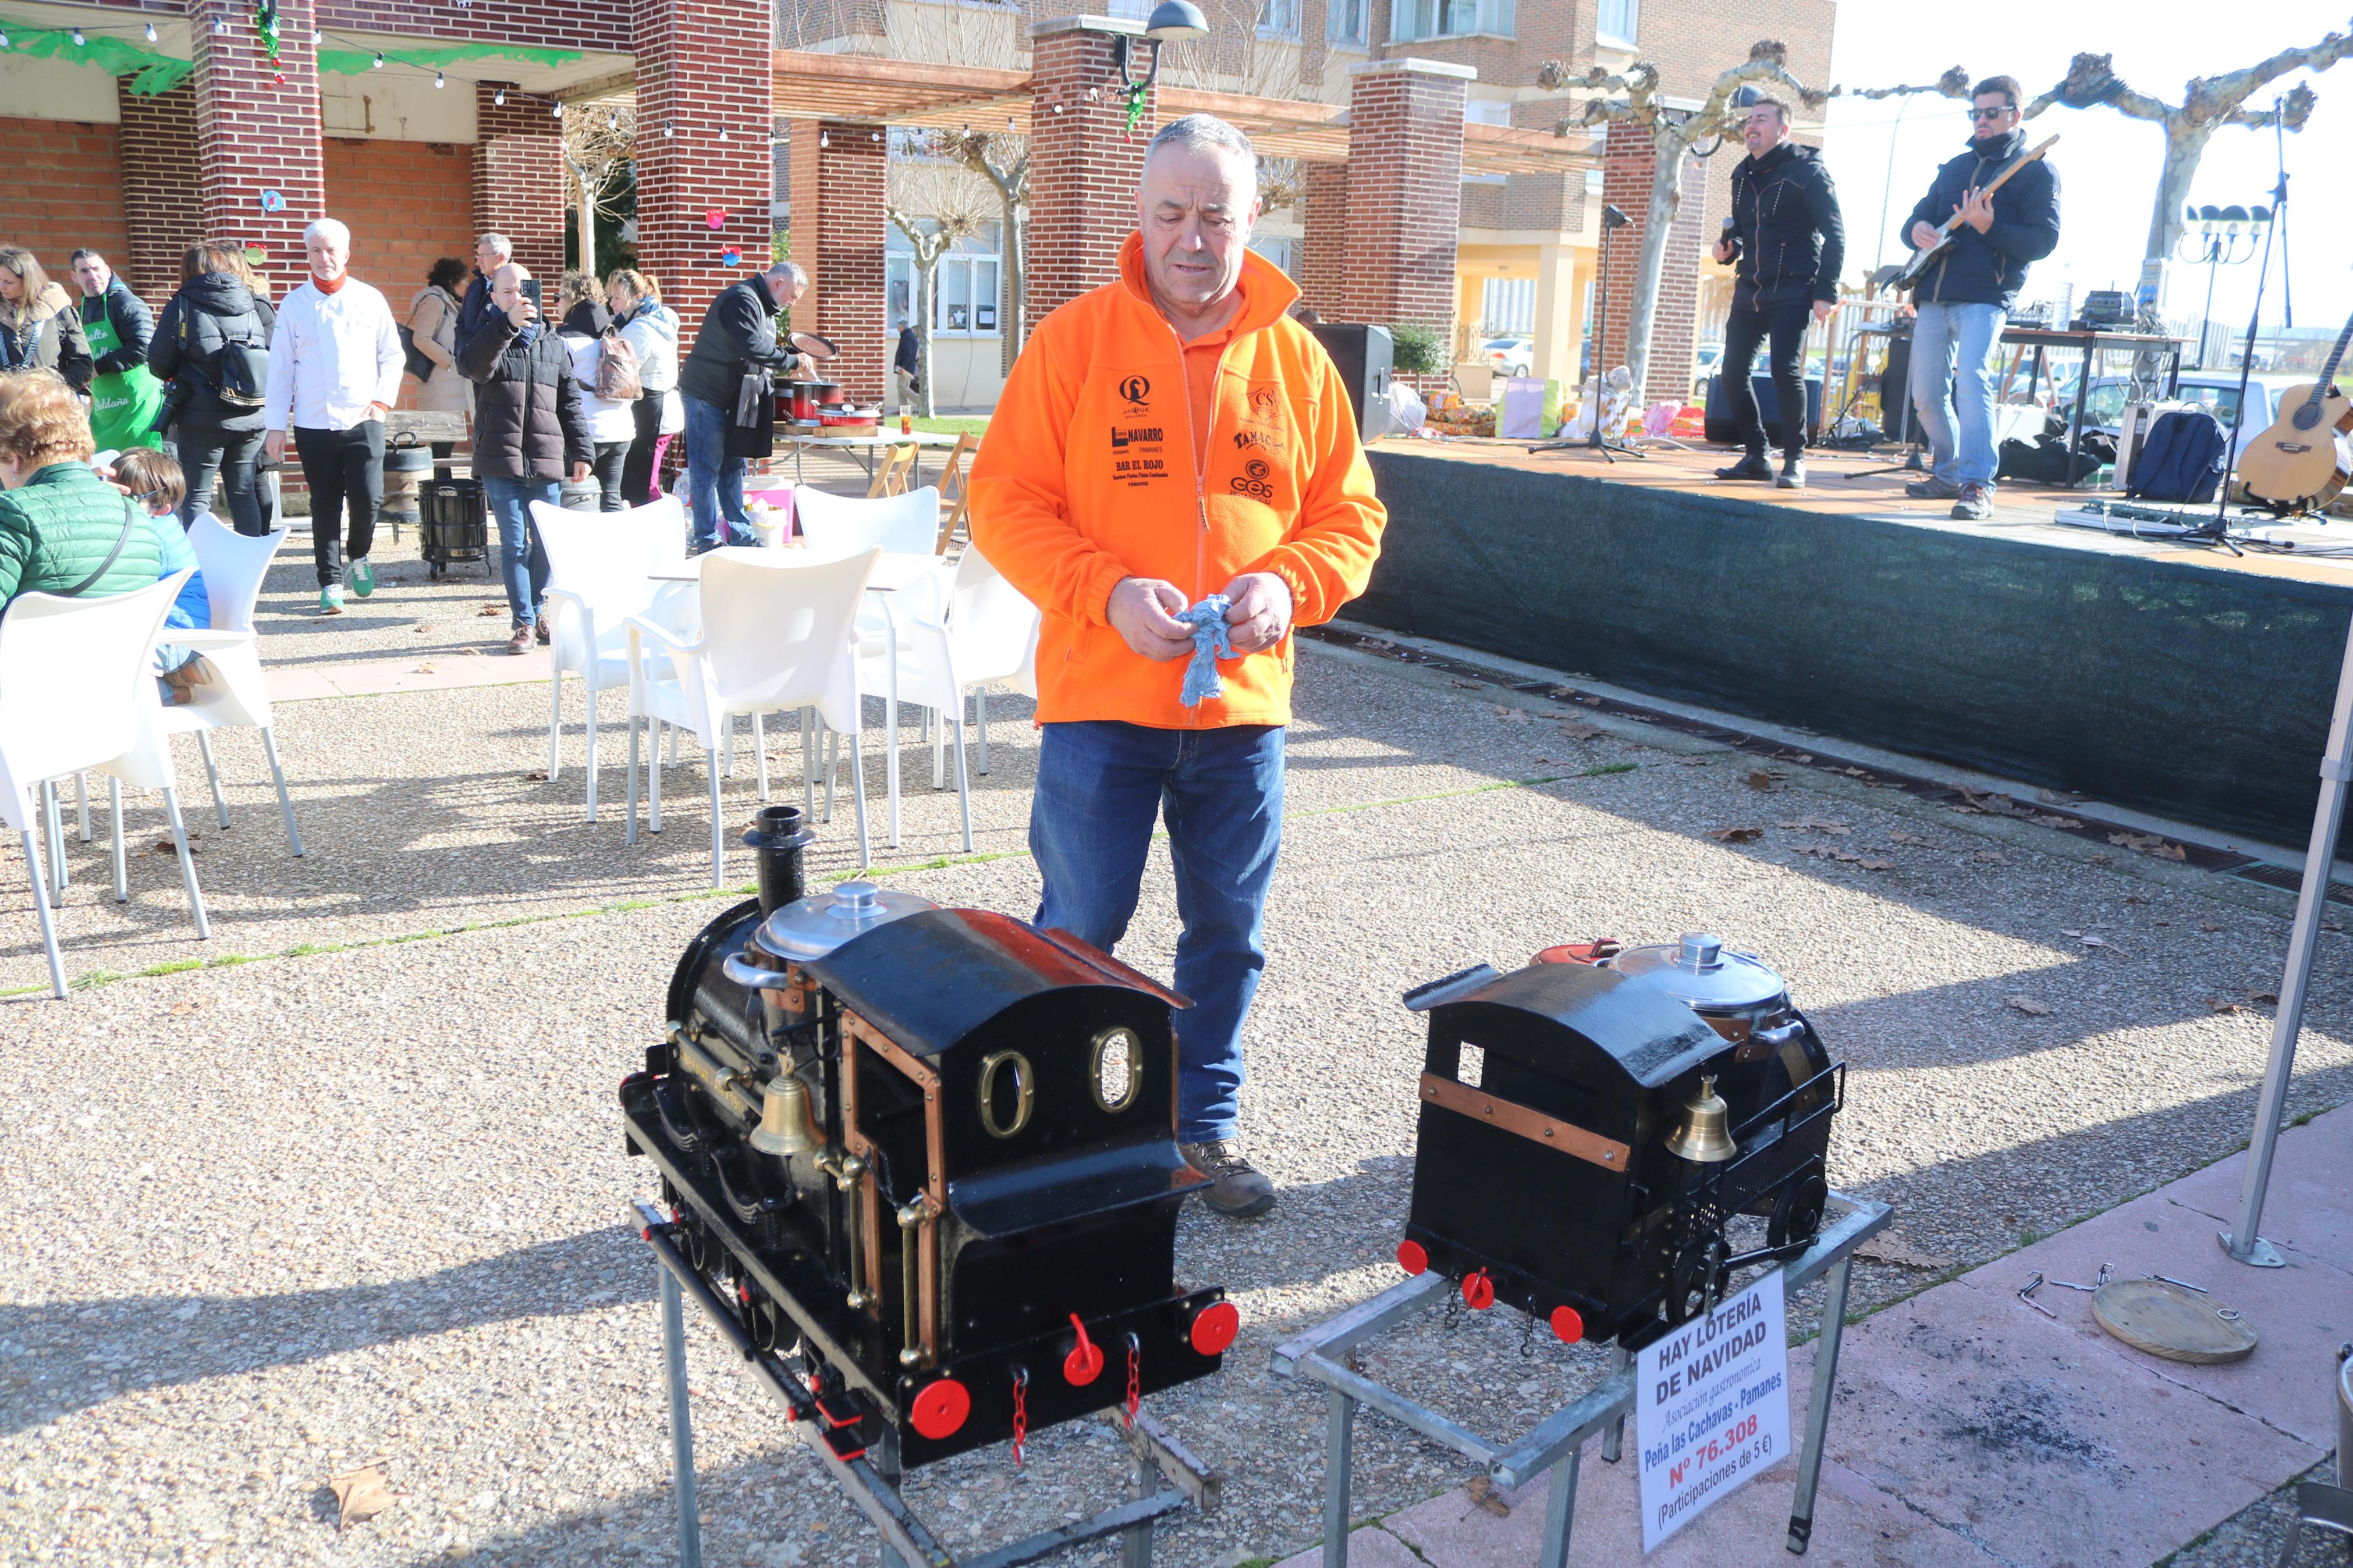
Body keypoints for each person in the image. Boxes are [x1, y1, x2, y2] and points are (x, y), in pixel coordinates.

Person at [968, 113, 1387, 1219]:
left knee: (1226, 938)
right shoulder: (1073, 342)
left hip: (1242, 714)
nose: (1191, 238)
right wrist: (1103, 590)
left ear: (1253, 219)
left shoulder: (1294, 359)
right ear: (1140, 218)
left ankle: (1199, 1131)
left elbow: (1349, 517)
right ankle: (1063, 1138)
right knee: (1079, 928)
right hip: (1102, 704)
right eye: (1170, 213)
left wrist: (1285, 588)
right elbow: (1003, 503)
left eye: (1215, 214)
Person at [1900, 74, 2061, 521]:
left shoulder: (2035, 170)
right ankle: (1948, 472)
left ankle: (1976, 484)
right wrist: (1914, 229)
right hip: (1933, 294)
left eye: (1991, 113)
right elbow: (1917, 217)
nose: (1982, 121)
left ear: (2015, 113)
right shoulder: (1954, 167)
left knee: (1971, 380)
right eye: (1976, 113)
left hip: (1986, 296)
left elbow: (2043, 242)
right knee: (1925, 395)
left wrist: (1991, 228)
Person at [265, 218, 402, 614]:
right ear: (307, 255)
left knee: (368, 498)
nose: (324, 258)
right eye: (315, 250)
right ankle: (330, 583)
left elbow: (393, 356)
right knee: (324, 503)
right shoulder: (293, 304)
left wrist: (380, 403)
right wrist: (276, 425)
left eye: (331, 250)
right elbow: (281, 369)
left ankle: (358, 554)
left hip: (363, 420)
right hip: (312, 422)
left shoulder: (369, 298)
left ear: (346, 253)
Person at [1708, 95, 1844, 490]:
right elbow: (1740, 229)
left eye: (1761, 120)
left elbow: (1835, 234)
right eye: (1749, 119)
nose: (1751, 125)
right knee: (1731, 373)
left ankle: (1795, 459)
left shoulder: (1809, 172)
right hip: (1750, 286)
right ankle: (1756, 455)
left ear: (1783, 130)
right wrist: (1726, 248)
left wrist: (1825, 292)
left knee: (1785, 371)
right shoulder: (1741, 173)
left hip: (1794, 287)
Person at [458, 262, 591, 655]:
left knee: (546, 543)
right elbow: (475, 369)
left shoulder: (553, 341)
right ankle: (523, 624)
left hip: (546, 455)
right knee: (514, 543)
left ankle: (535, 612)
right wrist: (506, 326)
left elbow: (569, 402)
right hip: (499, 455)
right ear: (494, 298)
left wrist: (582, 451)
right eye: (507, 291)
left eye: (524, 289)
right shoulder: (484, 333)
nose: (517, 297)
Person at [677, 261, 811, 552]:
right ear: (778, 284)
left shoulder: (763, 306)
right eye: (792, 296)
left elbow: (760, 349)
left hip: (732, 399)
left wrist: (790, 354)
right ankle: (707, 540)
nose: (791, 303)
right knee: (707, 471)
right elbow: (751, 346)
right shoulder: (743, 299)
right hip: (706, 395)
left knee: (732, 468)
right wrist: (792, 362)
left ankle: (740, 536)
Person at [0, 369, 164, 605]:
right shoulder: (136, 513)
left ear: (15, 461)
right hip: (125, 641)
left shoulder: (13, 513)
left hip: (37, 640)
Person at [149, 241, 278, 535]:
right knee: (243, 494)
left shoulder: (181, 304)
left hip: (202, 418)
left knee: (198, 496)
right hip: (252, 415)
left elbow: (159, 364)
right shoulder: (252, 302)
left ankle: (202, 570)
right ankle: (248, 565)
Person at [110, 447, 214, 704]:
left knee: (94, 672)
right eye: (109, 490)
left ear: (161, 509)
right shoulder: (150, 523)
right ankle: (178, 674)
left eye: (129, 497)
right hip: (166, 629)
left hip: (173, 636)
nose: (113, 501)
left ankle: (168, 691)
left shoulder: (147, 538)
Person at [70, 250, 165, 454]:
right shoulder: (80, 312)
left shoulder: (128, 304)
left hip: (138, 402)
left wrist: (97, 369)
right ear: (74, 277)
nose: (92, 276)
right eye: (84, 271)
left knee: (142, 466)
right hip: (104, 406)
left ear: (107, 271)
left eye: (96, 269)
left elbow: (143, 348)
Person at [608, 269, 683, 509]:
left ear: (636, 297)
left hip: (653, 411)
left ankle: (657, 535)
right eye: (611, 297)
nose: (612, 303)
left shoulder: (637, 329)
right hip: (661, 408)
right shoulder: (659, 320)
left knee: (645, 485)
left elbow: (622, 376)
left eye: (617, 297)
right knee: (645, 482)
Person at [560, 309, 637, 512]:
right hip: (622, 430)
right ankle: (616, 543)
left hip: (586, 432)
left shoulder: (567, 343)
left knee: (572, 495)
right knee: (612, 498)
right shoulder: (620, 342)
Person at [406, 257, 473, 473]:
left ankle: (445, 490)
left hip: (449, 384)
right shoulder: (434, 302)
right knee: (442, 446)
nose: (467, 285)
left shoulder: (448, 302)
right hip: (440, 383)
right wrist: (449, 360)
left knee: (446, 444)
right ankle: (442, 493)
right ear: (452, 281)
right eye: (463, 280)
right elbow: (421, 339)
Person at [0, 249, 94, 392]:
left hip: (48, 405)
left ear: (27, 282)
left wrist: (55, 389)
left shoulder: (59, 311)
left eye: (9, 282)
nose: (2, 287)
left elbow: (82, 363)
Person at [453, 232, 513, 361]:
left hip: (498, 364)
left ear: (501, 257)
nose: (478, 261)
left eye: (484, 256)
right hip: (469, 364)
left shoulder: (514, 289)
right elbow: (461, 322)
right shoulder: (475, 286)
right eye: (478, 255)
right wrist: (464, 349)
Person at [557, 271, 611, 338]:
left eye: (558, 297)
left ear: (570, 299)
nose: (557, 303)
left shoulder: (561, 337)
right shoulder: (613, 334)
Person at [892, 318, 920, 413]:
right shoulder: (907, 335)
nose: (897, 329)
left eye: (898, 327)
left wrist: (903, 366)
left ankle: (922, 401)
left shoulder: (907, 337)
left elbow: (908, 353)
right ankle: (903, 410)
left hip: (905, 368)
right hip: (903, 367)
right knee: (901, 388)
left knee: (901, 387)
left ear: (903, 327)